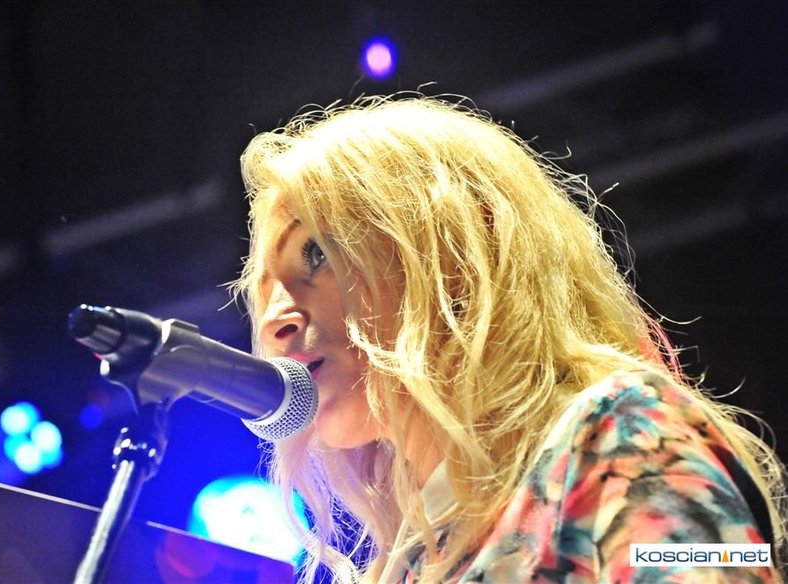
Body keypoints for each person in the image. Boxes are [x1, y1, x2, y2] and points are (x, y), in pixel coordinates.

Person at [231, 94, 786, 583]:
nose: (274, 321)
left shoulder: (620, 429)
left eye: (317, 255)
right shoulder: (406, 564)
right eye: (265, 293)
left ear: (454, 256)